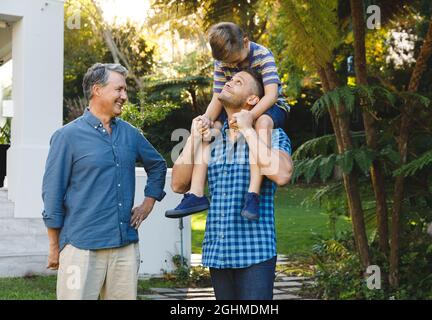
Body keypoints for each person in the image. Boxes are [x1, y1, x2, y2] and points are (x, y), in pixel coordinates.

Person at [42, 63, 167, 300]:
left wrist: (147, 204)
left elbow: (158, 165)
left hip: (125, 248)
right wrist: (54, 247)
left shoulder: (130, 133)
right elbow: (52, 194)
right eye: (119, 89)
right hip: (81, 247)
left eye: (125, 90)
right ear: (97, 90)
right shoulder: (67, 137)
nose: (124, 96)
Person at [171, 69, 293, 300]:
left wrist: (247, 129)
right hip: (218, 253)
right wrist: (194, 137)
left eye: (239, 81)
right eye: (229, 79)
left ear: (252, 99)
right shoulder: (212, 137)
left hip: (255, 253)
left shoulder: (271, 133)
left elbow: (283, 174)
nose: (229, 83)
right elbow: (178, 184)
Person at [165, 22, 290, 221]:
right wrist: (206, 119)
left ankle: (253, 193)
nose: (232, 67)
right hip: (242, 110)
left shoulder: (262, 54)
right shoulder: (222, 61)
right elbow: (217, 96)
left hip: (270, 105)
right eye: (227, 64)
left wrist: (250, 117)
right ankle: (196, 193)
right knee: (211, 129)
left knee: (263, 124)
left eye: (235, 61)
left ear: (245, 42)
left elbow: (271, 95)